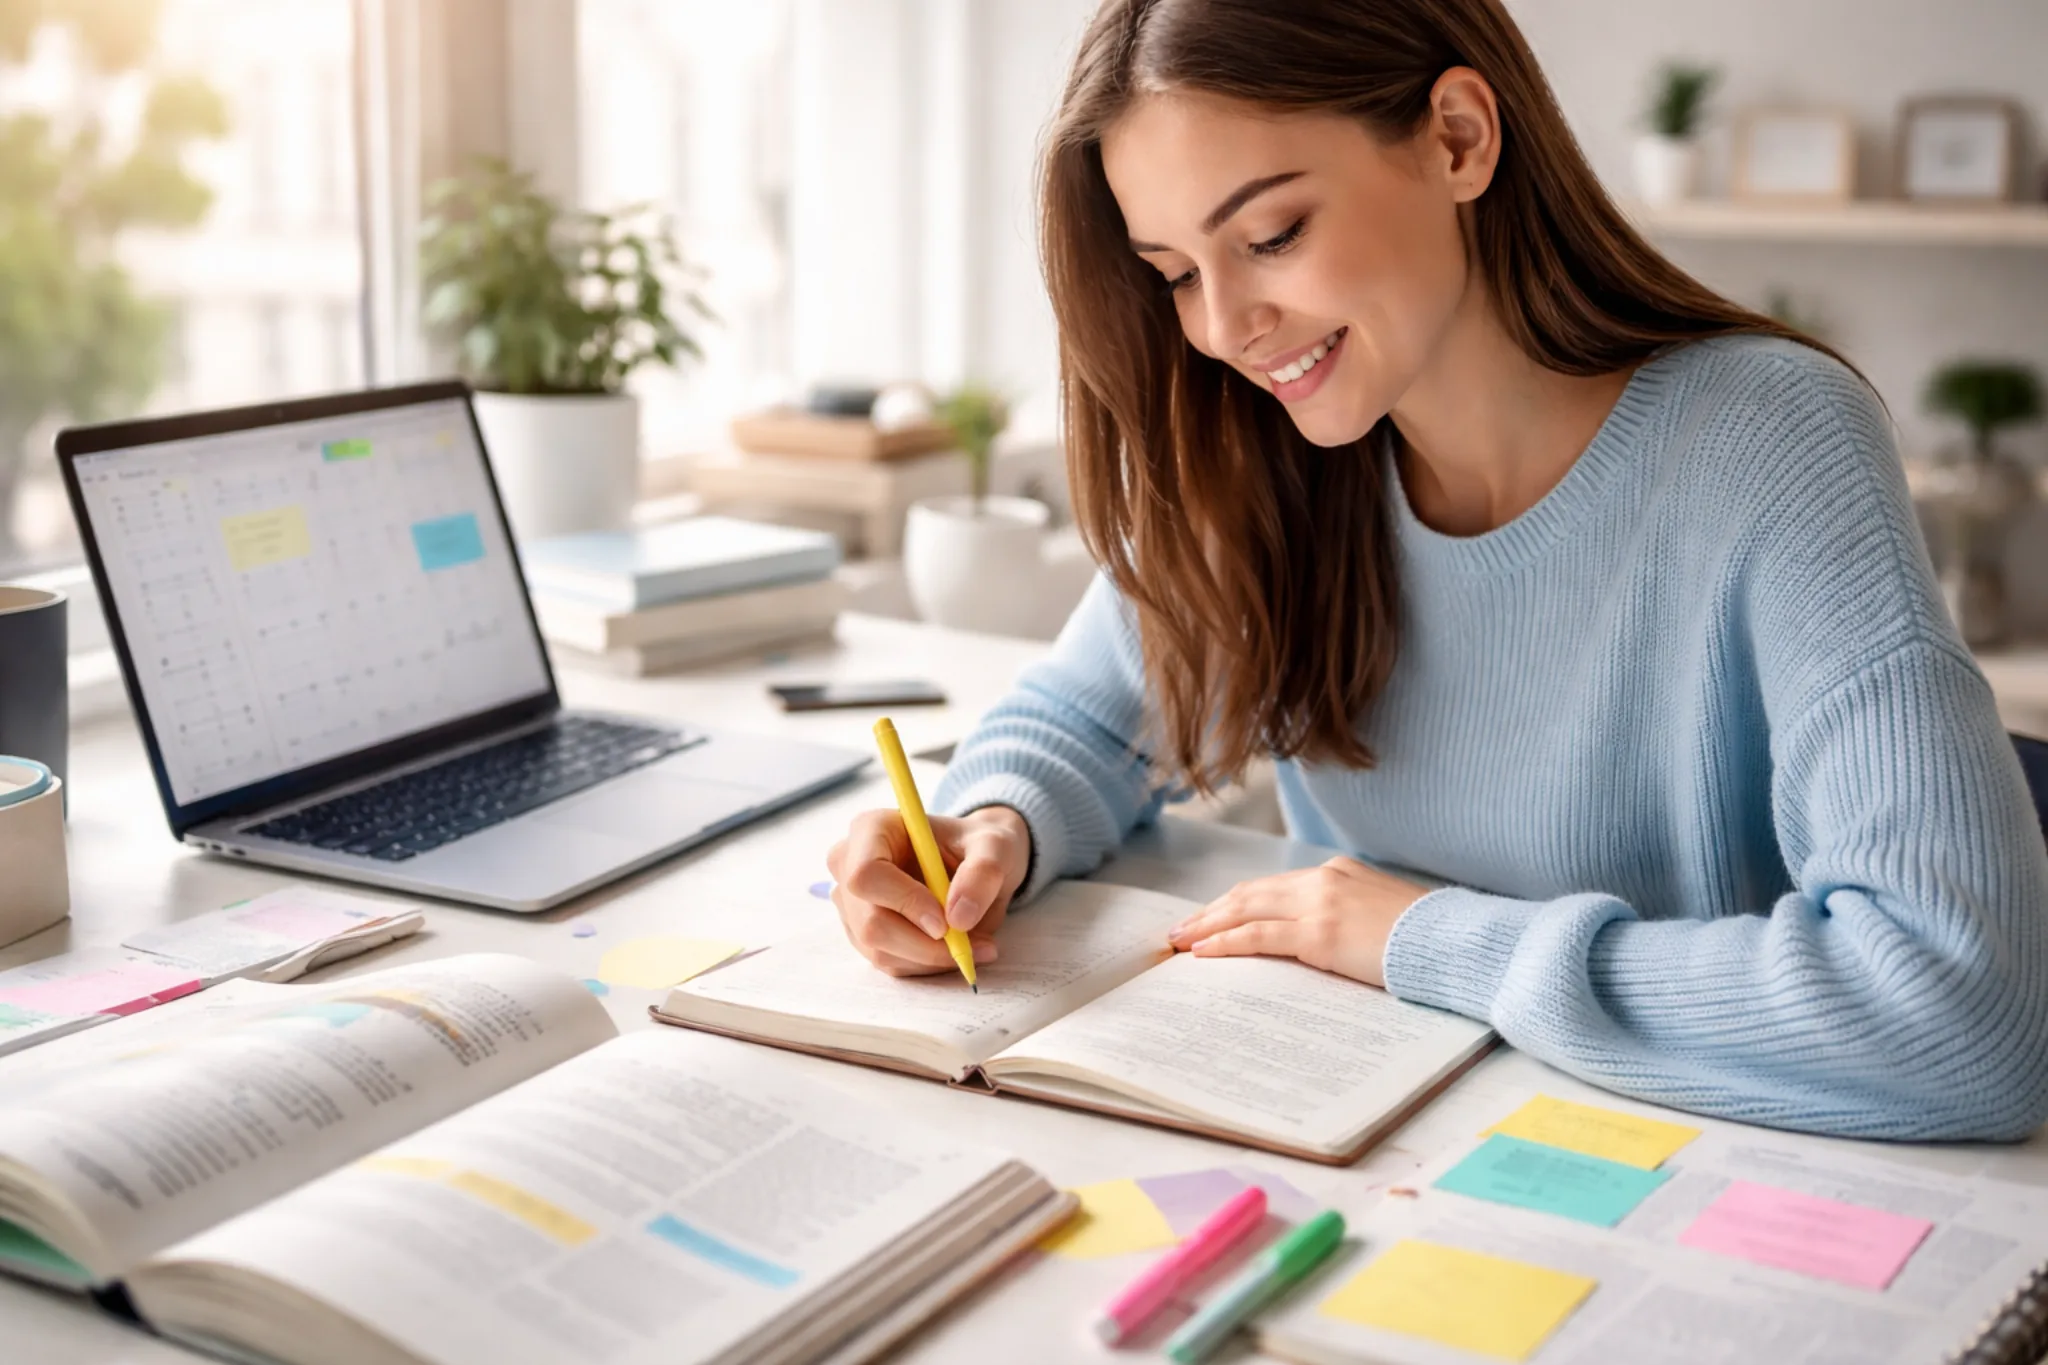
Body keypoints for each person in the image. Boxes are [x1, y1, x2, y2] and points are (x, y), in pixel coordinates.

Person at [826, 0, 2048, 1141]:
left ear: (1457, 139)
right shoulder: (1275, 451)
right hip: (1373, 1140)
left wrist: (1425, 940)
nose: (1220, 327)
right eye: (1175, 274)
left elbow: (1963, 1010)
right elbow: (1087, 716)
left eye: (1270, 235)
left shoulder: (1769, 441)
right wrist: (989, 830)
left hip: (1698, 1163)